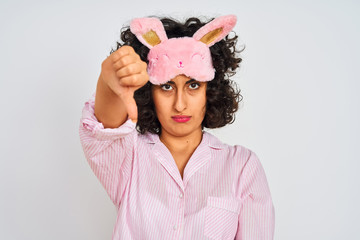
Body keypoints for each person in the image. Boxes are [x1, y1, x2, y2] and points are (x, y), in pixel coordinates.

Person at [79, 15, 275, 240]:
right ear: (149, 92)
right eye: (166, 86)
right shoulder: (130, 157)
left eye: (193, 85)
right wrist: (109, 82)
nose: (180, 104)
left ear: (209, 91)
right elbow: (105, 130)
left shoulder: (242, 167)